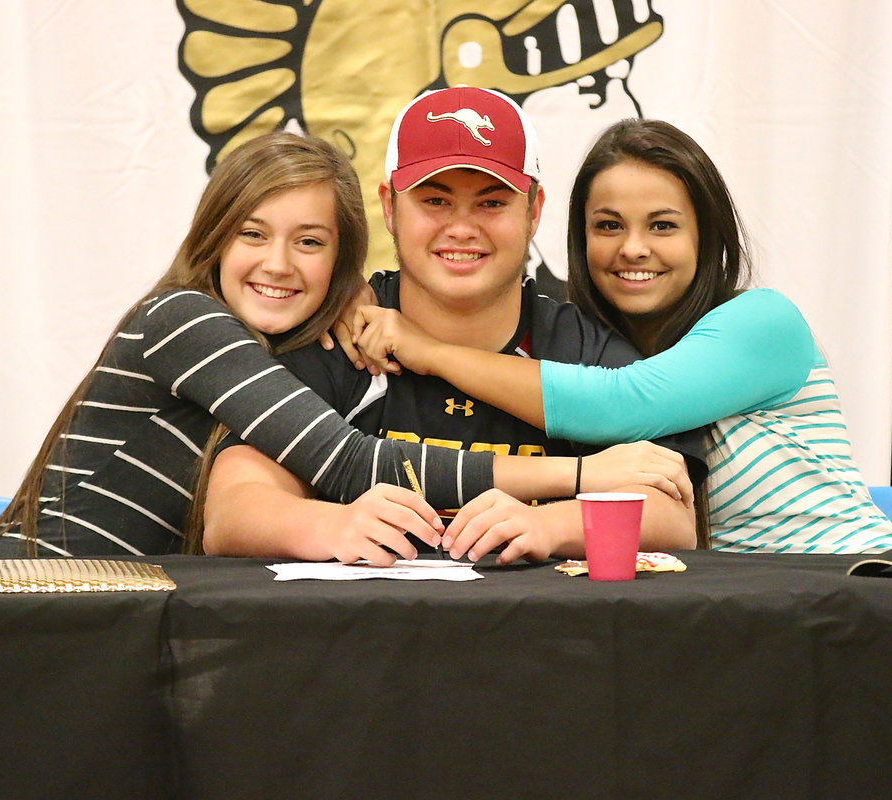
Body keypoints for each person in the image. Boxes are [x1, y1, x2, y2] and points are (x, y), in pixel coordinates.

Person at [0, 131, 674, 562]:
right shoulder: (184, 320)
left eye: (309, 242)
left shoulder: (318, 332)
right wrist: (584, 477)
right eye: (252, 234)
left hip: (113, 602)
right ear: (213, 237)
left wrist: (352, 298)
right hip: (28, 588)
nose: (278, 264)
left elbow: (676, 514)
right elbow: (349, 462)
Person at [206, 89, 708, 566]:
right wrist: (331, 523)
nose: (462, 228)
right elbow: (232, 510)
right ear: (389, 207)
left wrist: (550, 525)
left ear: (533, 212)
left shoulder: (580, 344)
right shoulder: (339, 333)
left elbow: (673, 514)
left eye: (492, 203)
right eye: (435, 201)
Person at [348, 118, 892, 554]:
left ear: (707, 235)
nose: (633, 248)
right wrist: (346, 296)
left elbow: (624, 402)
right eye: (609, 226)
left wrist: (429, 350)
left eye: (663, 225)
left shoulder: (763, 321)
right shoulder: (592, 339)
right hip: (739, 604)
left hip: (848, 576)